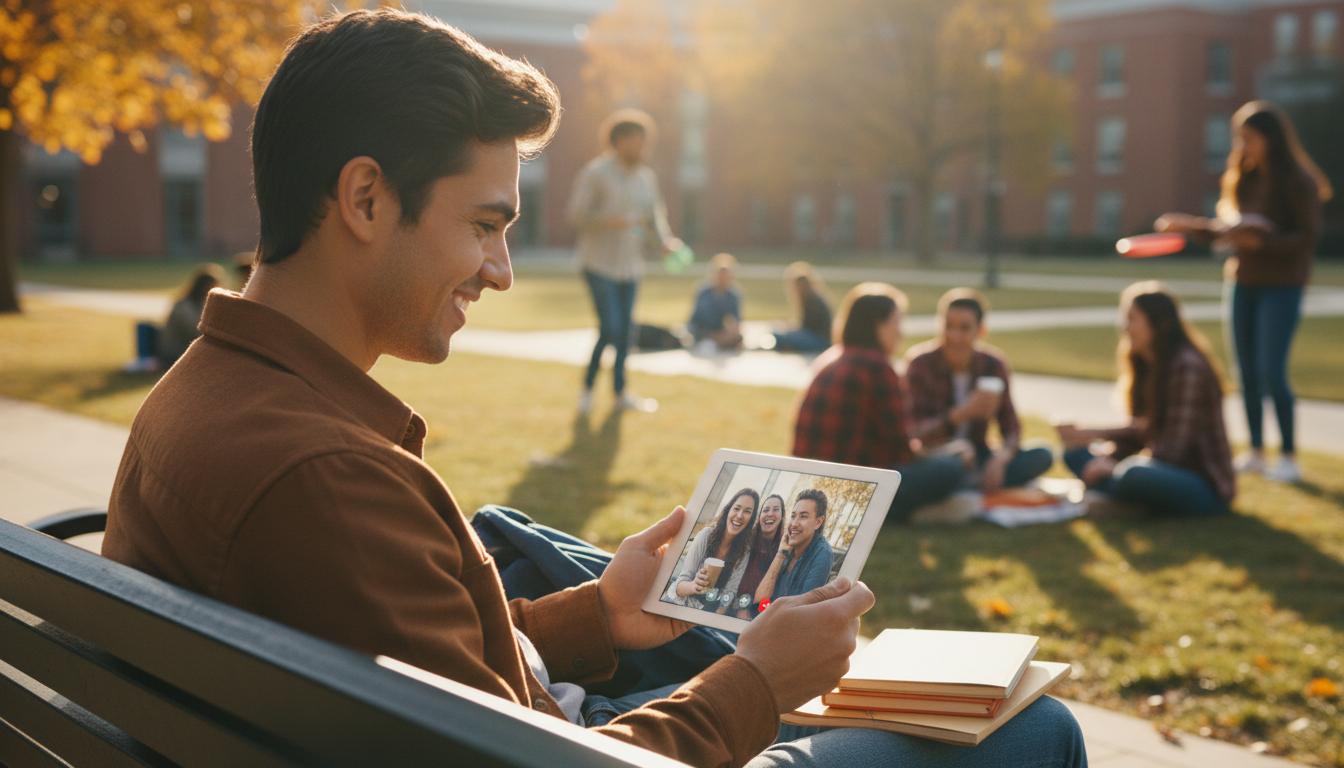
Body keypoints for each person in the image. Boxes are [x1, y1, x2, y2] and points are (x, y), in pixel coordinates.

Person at [102, 10, 1085, 767]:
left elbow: (415, 671)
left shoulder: (213, 393)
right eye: (485, 225)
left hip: (518, 723)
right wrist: (758, 680)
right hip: (576, 748)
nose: (500, 271)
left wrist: (598, 616)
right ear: (365, 199)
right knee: (1035, 732)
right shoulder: (323, 477)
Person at [1156, 101, 1331, 484]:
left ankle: (1288, 455)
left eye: (1249, 138)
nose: (1242, 146)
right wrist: (1191, 227)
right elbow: (1227, 231)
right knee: (1246, 372)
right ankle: (1255, 451)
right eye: (1239, 138)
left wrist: (1262, 243)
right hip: (1242, 282)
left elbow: (1306, 239)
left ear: (1271, 138)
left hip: (1282, 286)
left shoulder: (1298, 182)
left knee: (1272, 371)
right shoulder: (1243, 177)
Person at [793, 283, 971, 523]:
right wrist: (945, 454)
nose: (901, 333)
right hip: (856, 491)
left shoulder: (831, 358)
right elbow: (901, 451)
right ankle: (908, 513)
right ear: (877, 325)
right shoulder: (877, 367)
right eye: (896, 323)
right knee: (952, 467)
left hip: (809, 487)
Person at [1055, 282, 1235, 518]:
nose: (1125, 327)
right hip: (1154, 468)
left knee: (1133, 474)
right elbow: (1141, 431)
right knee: (1075, 454)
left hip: (1200, 485)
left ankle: (1119, 495)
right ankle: (1128, 499)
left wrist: (1115, 466)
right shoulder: (1145, 362)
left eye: (1132, 319)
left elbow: (1174, 450)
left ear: (1160, 323)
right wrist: (1106, 455)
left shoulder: (1187, 367)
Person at [569, 108, 683, 415]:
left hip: (630, 267)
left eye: (645, 142)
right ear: (618, 141)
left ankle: (620, 394)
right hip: (598, 265)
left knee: (625, 333)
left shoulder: (646, 178)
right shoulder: (596, 174)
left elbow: (654, 217)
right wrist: (611, 221)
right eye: (637, 141)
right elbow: (577, 215)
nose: (643, 148)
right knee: (610, 329)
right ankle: (587, 391)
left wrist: (665, 241)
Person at [906, 288, 1054, 492]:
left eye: (964, 328)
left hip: (980, 455)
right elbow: (914, 432)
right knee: (948, 467)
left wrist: (1001, 459)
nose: (954, 336)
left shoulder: (993, 364)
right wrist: (962, 414)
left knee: (1042, 454)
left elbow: (1011, 427)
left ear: (981, 330)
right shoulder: (920, 363)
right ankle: (970, 484)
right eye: (948, 326)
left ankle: (971, 484)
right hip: (938, 456)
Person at [669, 488, 759, 611]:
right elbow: (679, 586)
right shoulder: (706, 536)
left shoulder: (744, 550)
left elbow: (730, 592)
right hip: (681, 605)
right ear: (728, 510)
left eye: (747, 511)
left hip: (707, 612)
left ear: (751, 519)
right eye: (736, 508)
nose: (739, 516)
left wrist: (717, 615)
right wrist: (693, 585)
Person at [751, 490, 834, 611]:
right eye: (793, 516)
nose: (794, 524)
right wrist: (780, 554)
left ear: (818, 522)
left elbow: (801, 610)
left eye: (803, 516)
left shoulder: (823, 554)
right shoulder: (787, 548)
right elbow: (759, 603)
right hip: (767, 617)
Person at [157, 263, 225, 368]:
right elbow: (195, 332)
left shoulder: (199, 304)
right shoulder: (183, 306)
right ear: (204, 287)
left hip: (187, 350)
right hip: (175, 354)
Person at [730, 493, 784, 619]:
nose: (770, 514)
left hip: (760, 614)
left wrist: (755, 612)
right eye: (766, 510)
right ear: (759, 516)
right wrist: (741, 607)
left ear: (782, 517)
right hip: (732, 606)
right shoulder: (746, 541)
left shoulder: (784, 549)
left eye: (776, 510)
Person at [771, 261, 832, 353]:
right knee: (779, 332)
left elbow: (805, 327)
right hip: (818, 338)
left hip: (819, 341)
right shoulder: (813, 298)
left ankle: (788, 346)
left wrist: (788, 328)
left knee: (777, 334)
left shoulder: (813, 301)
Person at [688, 252, 744, 351]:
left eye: (726, 274)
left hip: (722, 333)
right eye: (720, 274)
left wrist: (732, 328)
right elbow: (696, 321)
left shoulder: (733, 295)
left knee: (737, 338)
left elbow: (736, 320)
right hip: (703, 332)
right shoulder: (703, 293)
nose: (723, 278)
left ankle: (722, 342)